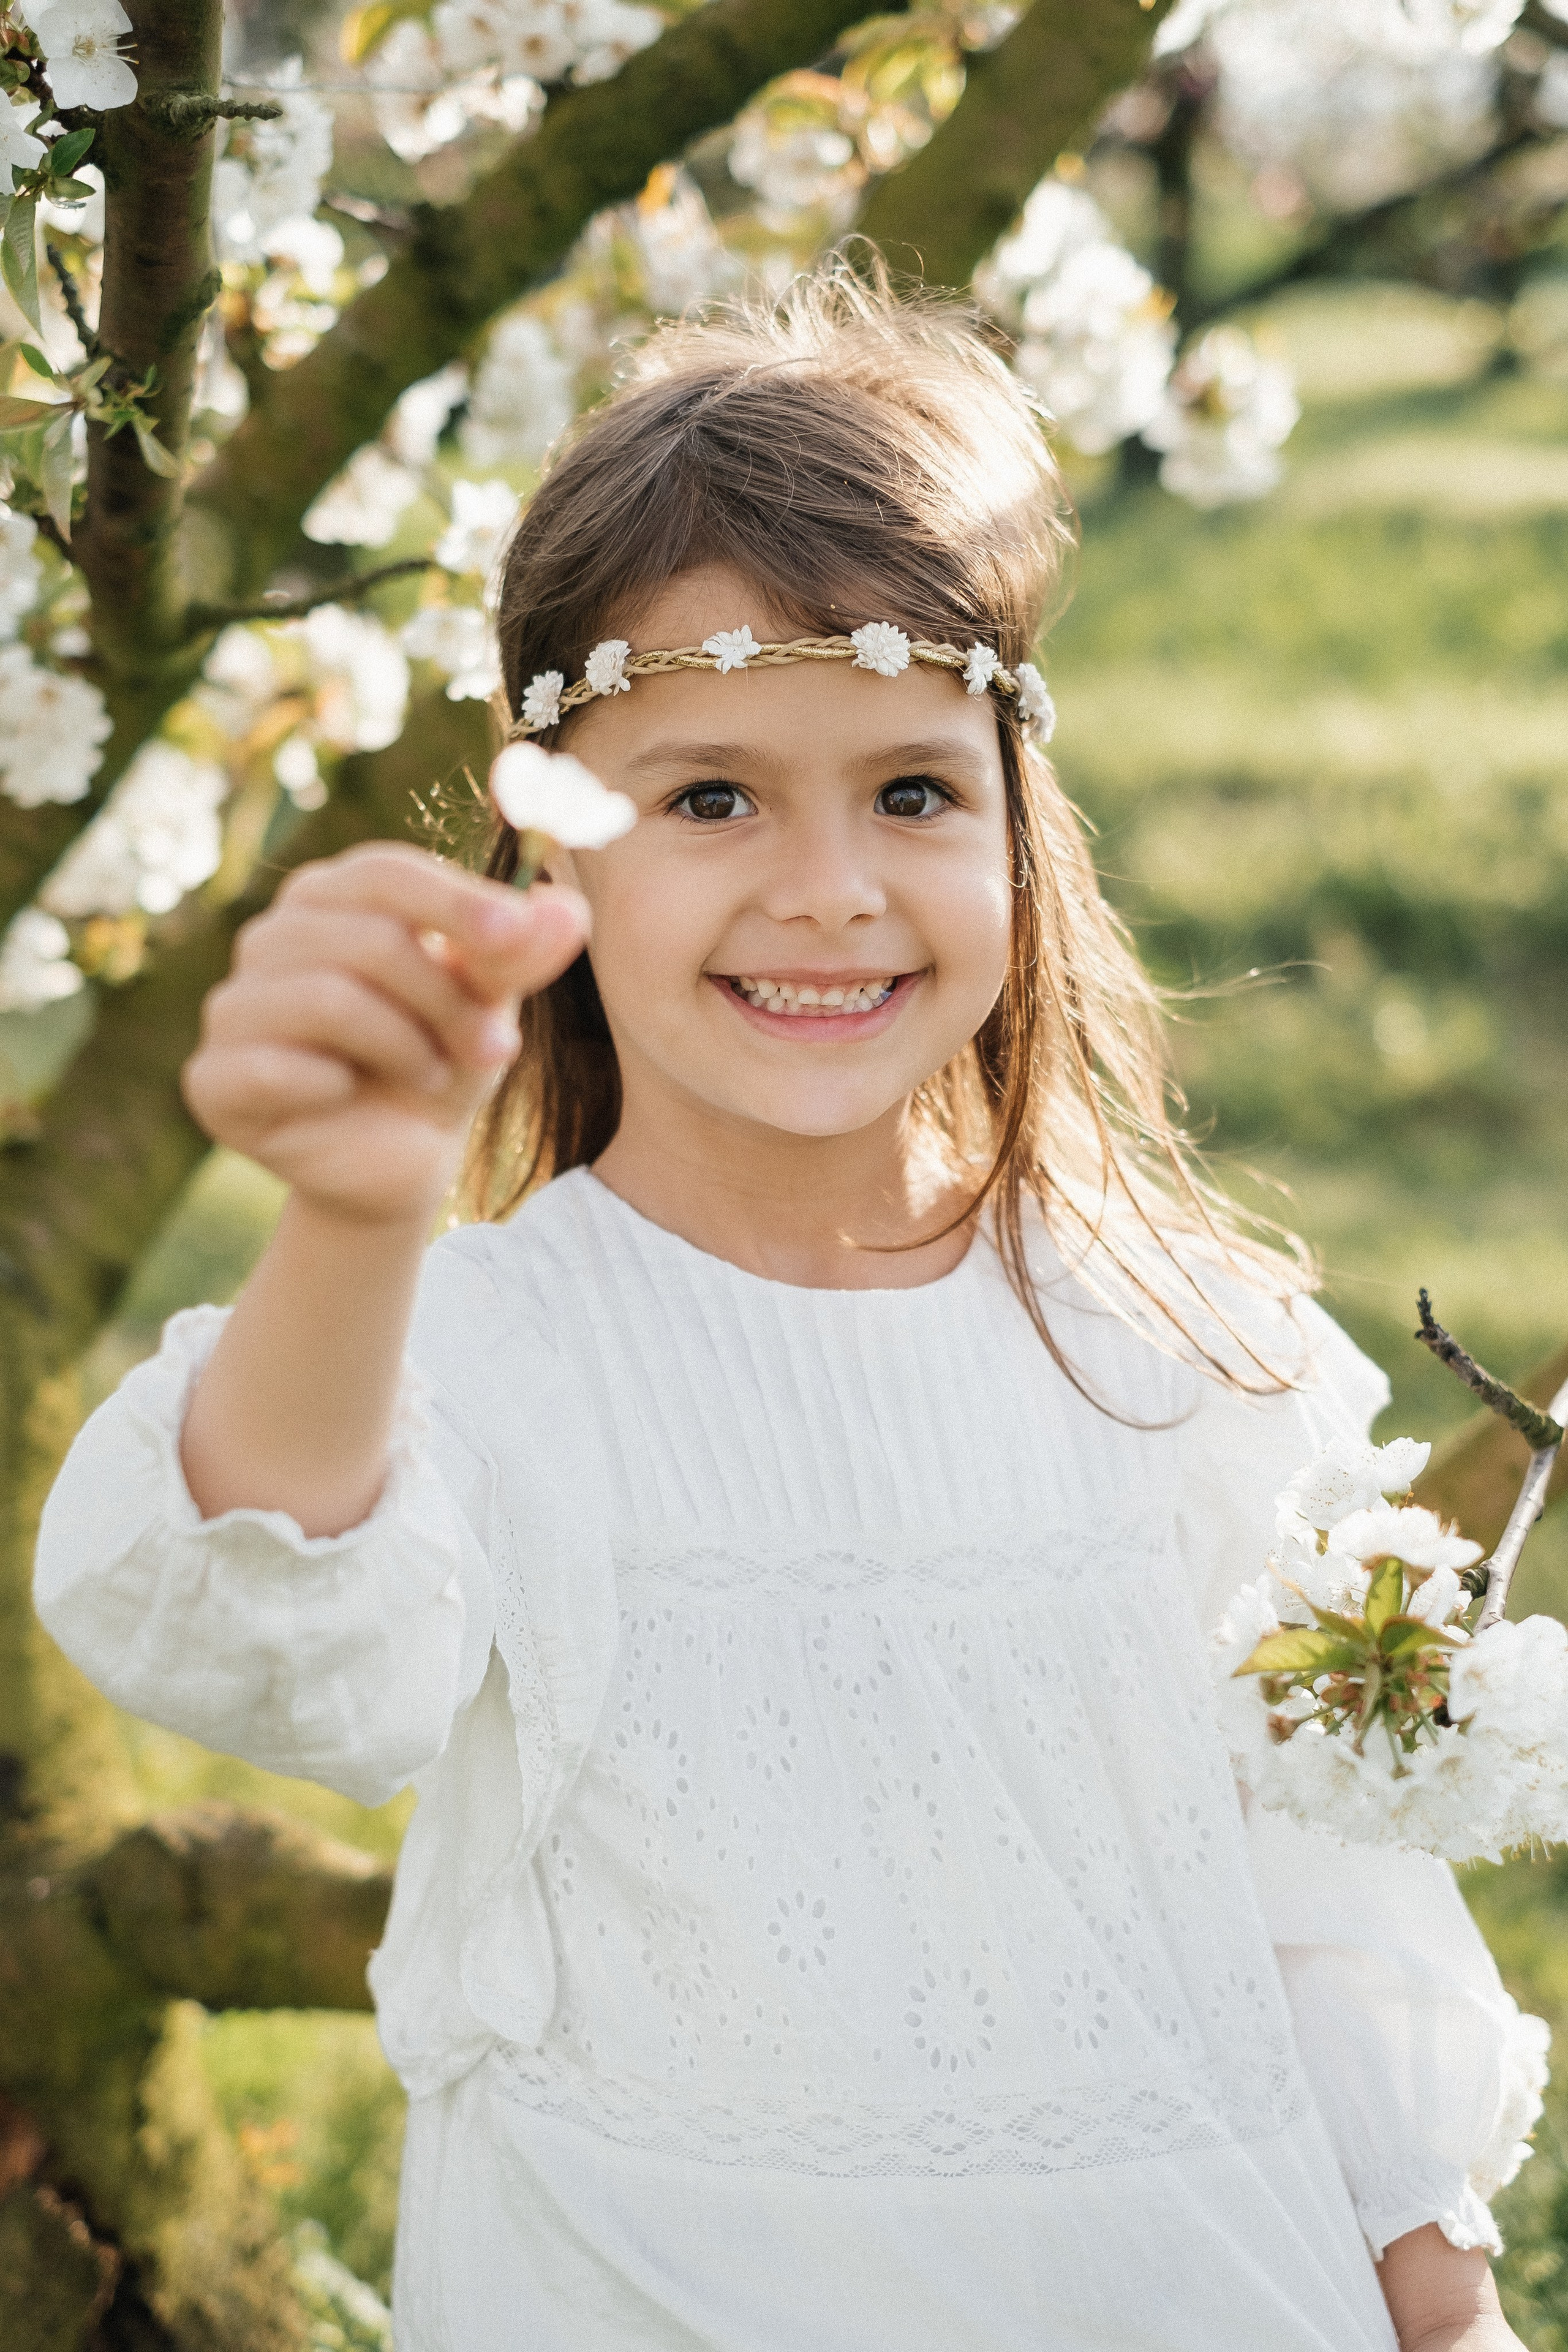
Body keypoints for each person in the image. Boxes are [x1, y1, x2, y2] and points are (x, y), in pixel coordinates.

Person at [36, 270, 1544, 2352]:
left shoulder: (1193, 1359)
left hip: (1181, 2282)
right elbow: (264, 1646)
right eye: (713, 796)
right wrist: (355, 1217)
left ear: (1023, 822)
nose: (829, 886)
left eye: (912, 792)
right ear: (554, 844)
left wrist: (1442, 2305)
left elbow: (1330, 1901)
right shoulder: (480, 1355)